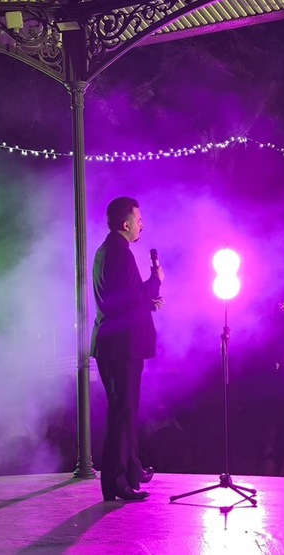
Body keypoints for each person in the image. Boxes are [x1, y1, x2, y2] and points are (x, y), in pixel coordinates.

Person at [92, 196, 164, 502]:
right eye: (139, 218)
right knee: (122, 413)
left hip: (113, 343)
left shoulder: (107, 251)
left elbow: (119, 298)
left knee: (124, 411)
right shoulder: (121, 253)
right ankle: (115, 481)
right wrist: (154, 282)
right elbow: (130, 296)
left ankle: (130, 470)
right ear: (126, 223)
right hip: (123, 347)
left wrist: (146, 300)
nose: (141, 223)